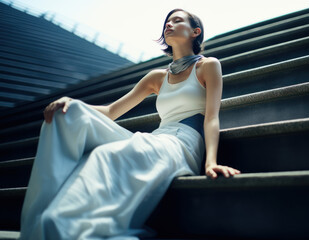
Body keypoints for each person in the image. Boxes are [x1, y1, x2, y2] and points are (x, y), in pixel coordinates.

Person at [19, 8, 241, 240]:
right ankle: (44, 220)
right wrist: (72, 102)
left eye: (177, 20)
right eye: (167, 21)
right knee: (68, 114)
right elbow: (112, 111)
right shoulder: (156, 77)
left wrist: (211, 162)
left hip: (182, 144)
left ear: (196, 32)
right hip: (158, 139)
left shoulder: (208, 66)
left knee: (106, 154)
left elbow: (212, 117)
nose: (168, 24)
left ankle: (68, 224)